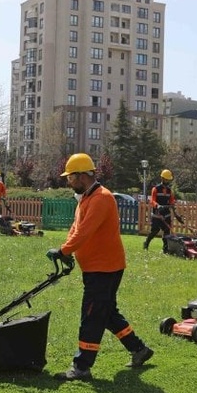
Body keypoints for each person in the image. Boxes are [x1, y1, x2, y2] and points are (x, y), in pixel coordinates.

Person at [48, 153, 154, 380]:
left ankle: (82, 366)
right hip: (96, 267)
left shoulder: (101, 198)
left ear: (82, 176)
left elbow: (85, 232)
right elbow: (76, 229)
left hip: (105, 268)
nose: (68, 182)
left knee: (92, 315)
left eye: (70, 178)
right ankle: (139, 350)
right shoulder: (86, 198)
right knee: (106, 314)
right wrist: (65, 249)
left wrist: (63, 251)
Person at [143, 169, 177, 250]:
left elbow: (172, 199)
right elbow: (152, 200)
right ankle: (146, 242)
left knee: (167, 232)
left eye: (168, 179)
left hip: (166, 214)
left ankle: (165, 248)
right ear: (162, 178)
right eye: (166, 179)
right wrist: (157, 205)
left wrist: (172, 204)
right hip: (157, 214)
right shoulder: (155, 189)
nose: (167, 181)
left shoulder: (169, 190)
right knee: (155, 231)